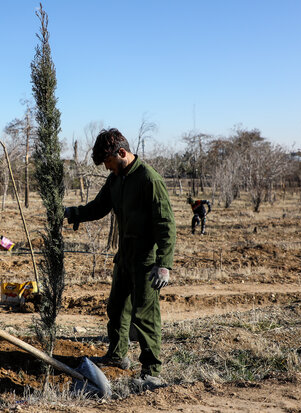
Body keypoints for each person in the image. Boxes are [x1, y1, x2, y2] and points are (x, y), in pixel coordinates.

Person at [63, 128, 176, 389]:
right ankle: (116, 355)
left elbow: (166, 224)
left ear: (122, 153)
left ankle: (151, 370)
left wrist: (164, 264)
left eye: (109, 163)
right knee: (116, 309)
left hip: (147, 261)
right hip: (123, 257)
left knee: (145, 315)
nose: (108, 169)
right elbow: (99, 206)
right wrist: (73, 213)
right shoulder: (116, 179)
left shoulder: (150, 180)